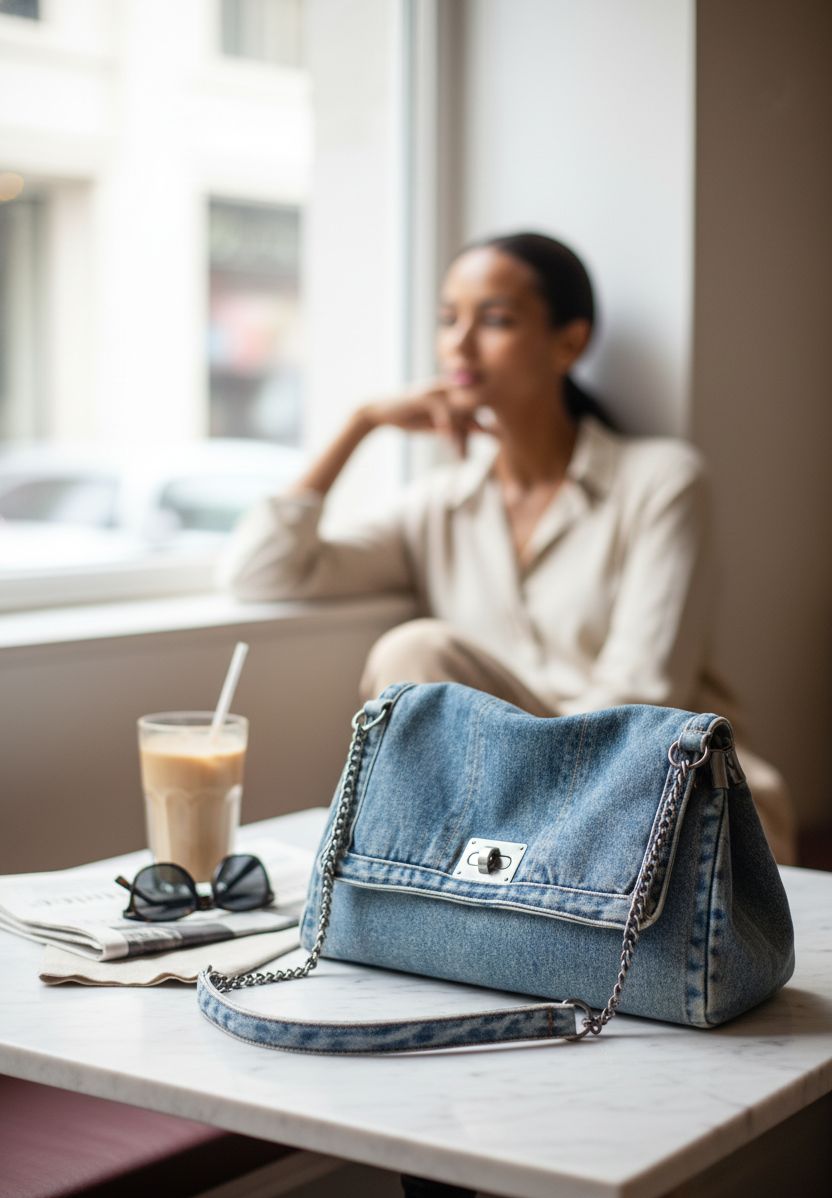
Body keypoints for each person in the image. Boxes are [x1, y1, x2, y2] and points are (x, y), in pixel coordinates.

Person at [219, 232, 796, 864]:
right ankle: (438, 878)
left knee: (423, 654)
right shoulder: (439, 505)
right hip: (517, 821)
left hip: (659, 797)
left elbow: (643, 695)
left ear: (569, 342)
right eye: (448, 319)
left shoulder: (660, 481)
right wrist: (364, 422)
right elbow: (264, 572)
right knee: (414, 649)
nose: (459, 344)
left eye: (494, 319)